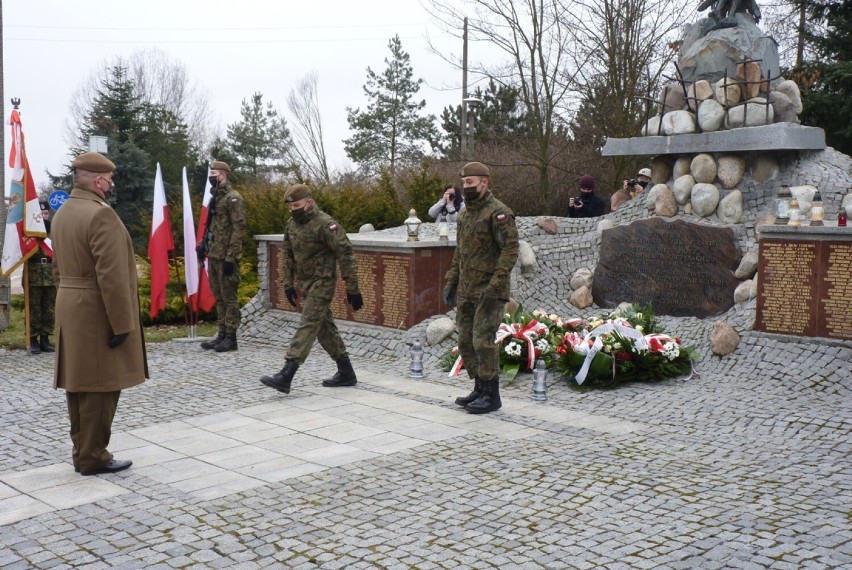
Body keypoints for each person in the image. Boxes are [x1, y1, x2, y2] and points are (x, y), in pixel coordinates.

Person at [51, 151, 147, 476]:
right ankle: (94, 455)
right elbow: (112, 275)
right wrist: (123, 323)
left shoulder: (63, 212)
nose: (112, 183)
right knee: (102, 385)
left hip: (71, 304)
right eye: (109, 178)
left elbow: (56, 269)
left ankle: (83, 450)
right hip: (96, 309)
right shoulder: (100, 215)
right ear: (97, 179)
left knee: (78, 384)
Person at [259, 184, 364, 394]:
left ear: (308, 201)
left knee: (307, 323)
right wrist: (287, 284)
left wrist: (352, 287)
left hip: (323, 282)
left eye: (297, 205)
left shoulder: (325, 224)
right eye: (290, 207)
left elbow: (345, 253)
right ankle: (346, 372)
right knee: (324, 328)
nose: (293, 210)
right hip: (305, 283)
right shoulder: (291, 225)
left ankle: (287, 373)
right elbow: (287, 255)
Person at [443, 162, 519, 414]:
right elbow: (460, 253)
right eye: (464, 183)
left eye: (470, 183)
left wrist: (496, 284)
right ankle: (479, 387)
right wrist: (451, 281)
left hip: (489, 290)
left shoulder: (499, 213)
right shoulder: (465, 214)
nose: (466, 188)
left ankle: (492, 395)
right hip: (467, 289)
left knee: (482, 342)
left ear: (484, 183)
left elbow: (510, 251)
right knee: (465, 341)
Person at [197, 161, 245, 352]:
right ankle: (222, 334)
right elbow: (211, 226)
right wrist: (203, 246)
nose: (211, 176)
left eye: (214, 173)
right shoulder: (215, 198)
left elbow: (238, 229)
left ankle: (231, 338)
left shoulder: (233, 199)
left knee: (229, 297)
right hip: (214, 255)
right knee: (219, 297)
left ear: (223, 175)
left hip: (226, 257)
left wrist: (231, 257)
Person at [26, 200, 56, 354]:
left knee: (49, 308)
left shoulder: (53, 233)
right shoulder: (29, 235)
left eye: (46, 213)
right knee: (34, 308)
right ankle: (33, 340)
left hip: (50, 275)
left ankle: (45, 339)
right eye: (41, 214)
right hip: (34, 276)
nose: (44, 217)